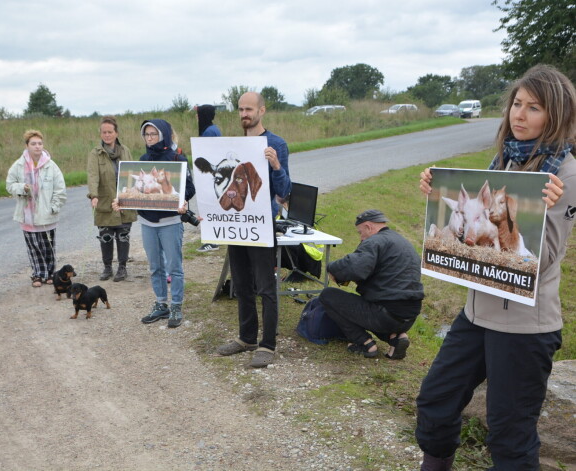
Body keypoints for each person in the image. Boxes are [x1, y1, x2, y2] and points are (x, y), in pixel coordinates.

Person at [415, 64, 575, 471]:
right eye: (517, 104)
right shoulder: (501, 162)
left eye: (534, 108)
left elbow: (546, 256)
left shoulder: (566, 174)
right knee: (436, 402)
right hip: (477, 313)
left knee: (509, 435)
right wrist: (436, 192)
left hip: (525, 327)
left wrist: (543, 207)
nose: (519, 115)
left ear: (556, 114)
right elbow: (468, 225)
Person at [216, 92, 292, 368]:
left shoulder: (276, 144)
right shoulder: (233, 145)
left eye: (249, 109)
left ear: (262, 111)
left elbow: (284, 191)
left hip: (261, 225)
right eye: (240, 109)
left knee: (265, 285)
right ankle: (247, 337)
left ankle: (268, 344)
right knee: (241, 282)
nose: (243, 114)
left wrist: (276, 166)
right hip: (236, 225)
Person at [318, 209, 424, 359]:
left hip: (385, 314)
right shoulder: (402, 241)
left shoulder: (375, 241)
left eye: (360, 232)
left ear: (368, 227)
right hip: (410, 315)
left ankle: (364, 343)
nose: (361, 238)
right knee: (370, 306)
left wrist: (332, 269)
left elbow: (354, 267)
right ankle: (396, 339)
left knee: (328, 295)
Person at [126, 119, 195, 328]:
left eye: (153, 134)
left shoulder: (177, 159)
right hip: (147, 221)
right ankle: (160, 303)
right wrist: (125, 200)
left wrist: (181, 201)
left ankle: (176, 304)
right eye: (146, 135)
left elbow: (190, 188)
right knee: (155, 266)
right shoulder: (142, 160)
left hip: (171, 221)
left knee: (174, 266)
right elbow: (136, 190)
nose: (149, 138)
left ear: (163, 135)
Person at [6, 130, 67, 288]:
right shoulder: (18, 165)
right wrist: (22, 187)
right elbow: (9, 185)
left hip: (47, 213)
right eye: (33, 144)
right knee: (34, 246)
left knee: (48, 245)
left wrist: (54, 207)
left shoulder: (51, 165)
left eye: (40, 143)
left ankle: (51, 274)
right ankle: (38, 274)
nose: (37, 146)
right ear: (27, 146)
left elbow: (60, 189)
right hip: (27, 213)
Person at [87, 116, 137, 282]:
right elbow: (92, 176)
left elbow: (132, 174)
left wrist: (132, 196)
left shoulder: (125, 151)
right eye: (104, 132)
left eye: (110, 132)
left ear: (116, 133)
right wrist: (93, 195)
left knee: (123, 235)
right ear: (100, 134)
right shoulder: (95, 154)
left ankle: (122, 267)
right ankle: (107, 267)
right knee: (106, 236)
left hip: (124, 202)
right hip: (105, 201)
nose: (107, 135)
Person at [195, 104, 222, 253]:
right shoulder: (213, 129)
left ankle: (211, 241)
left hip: (209, 176)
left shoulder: (209, 132)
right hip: (213, 174)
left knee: (208, 207)